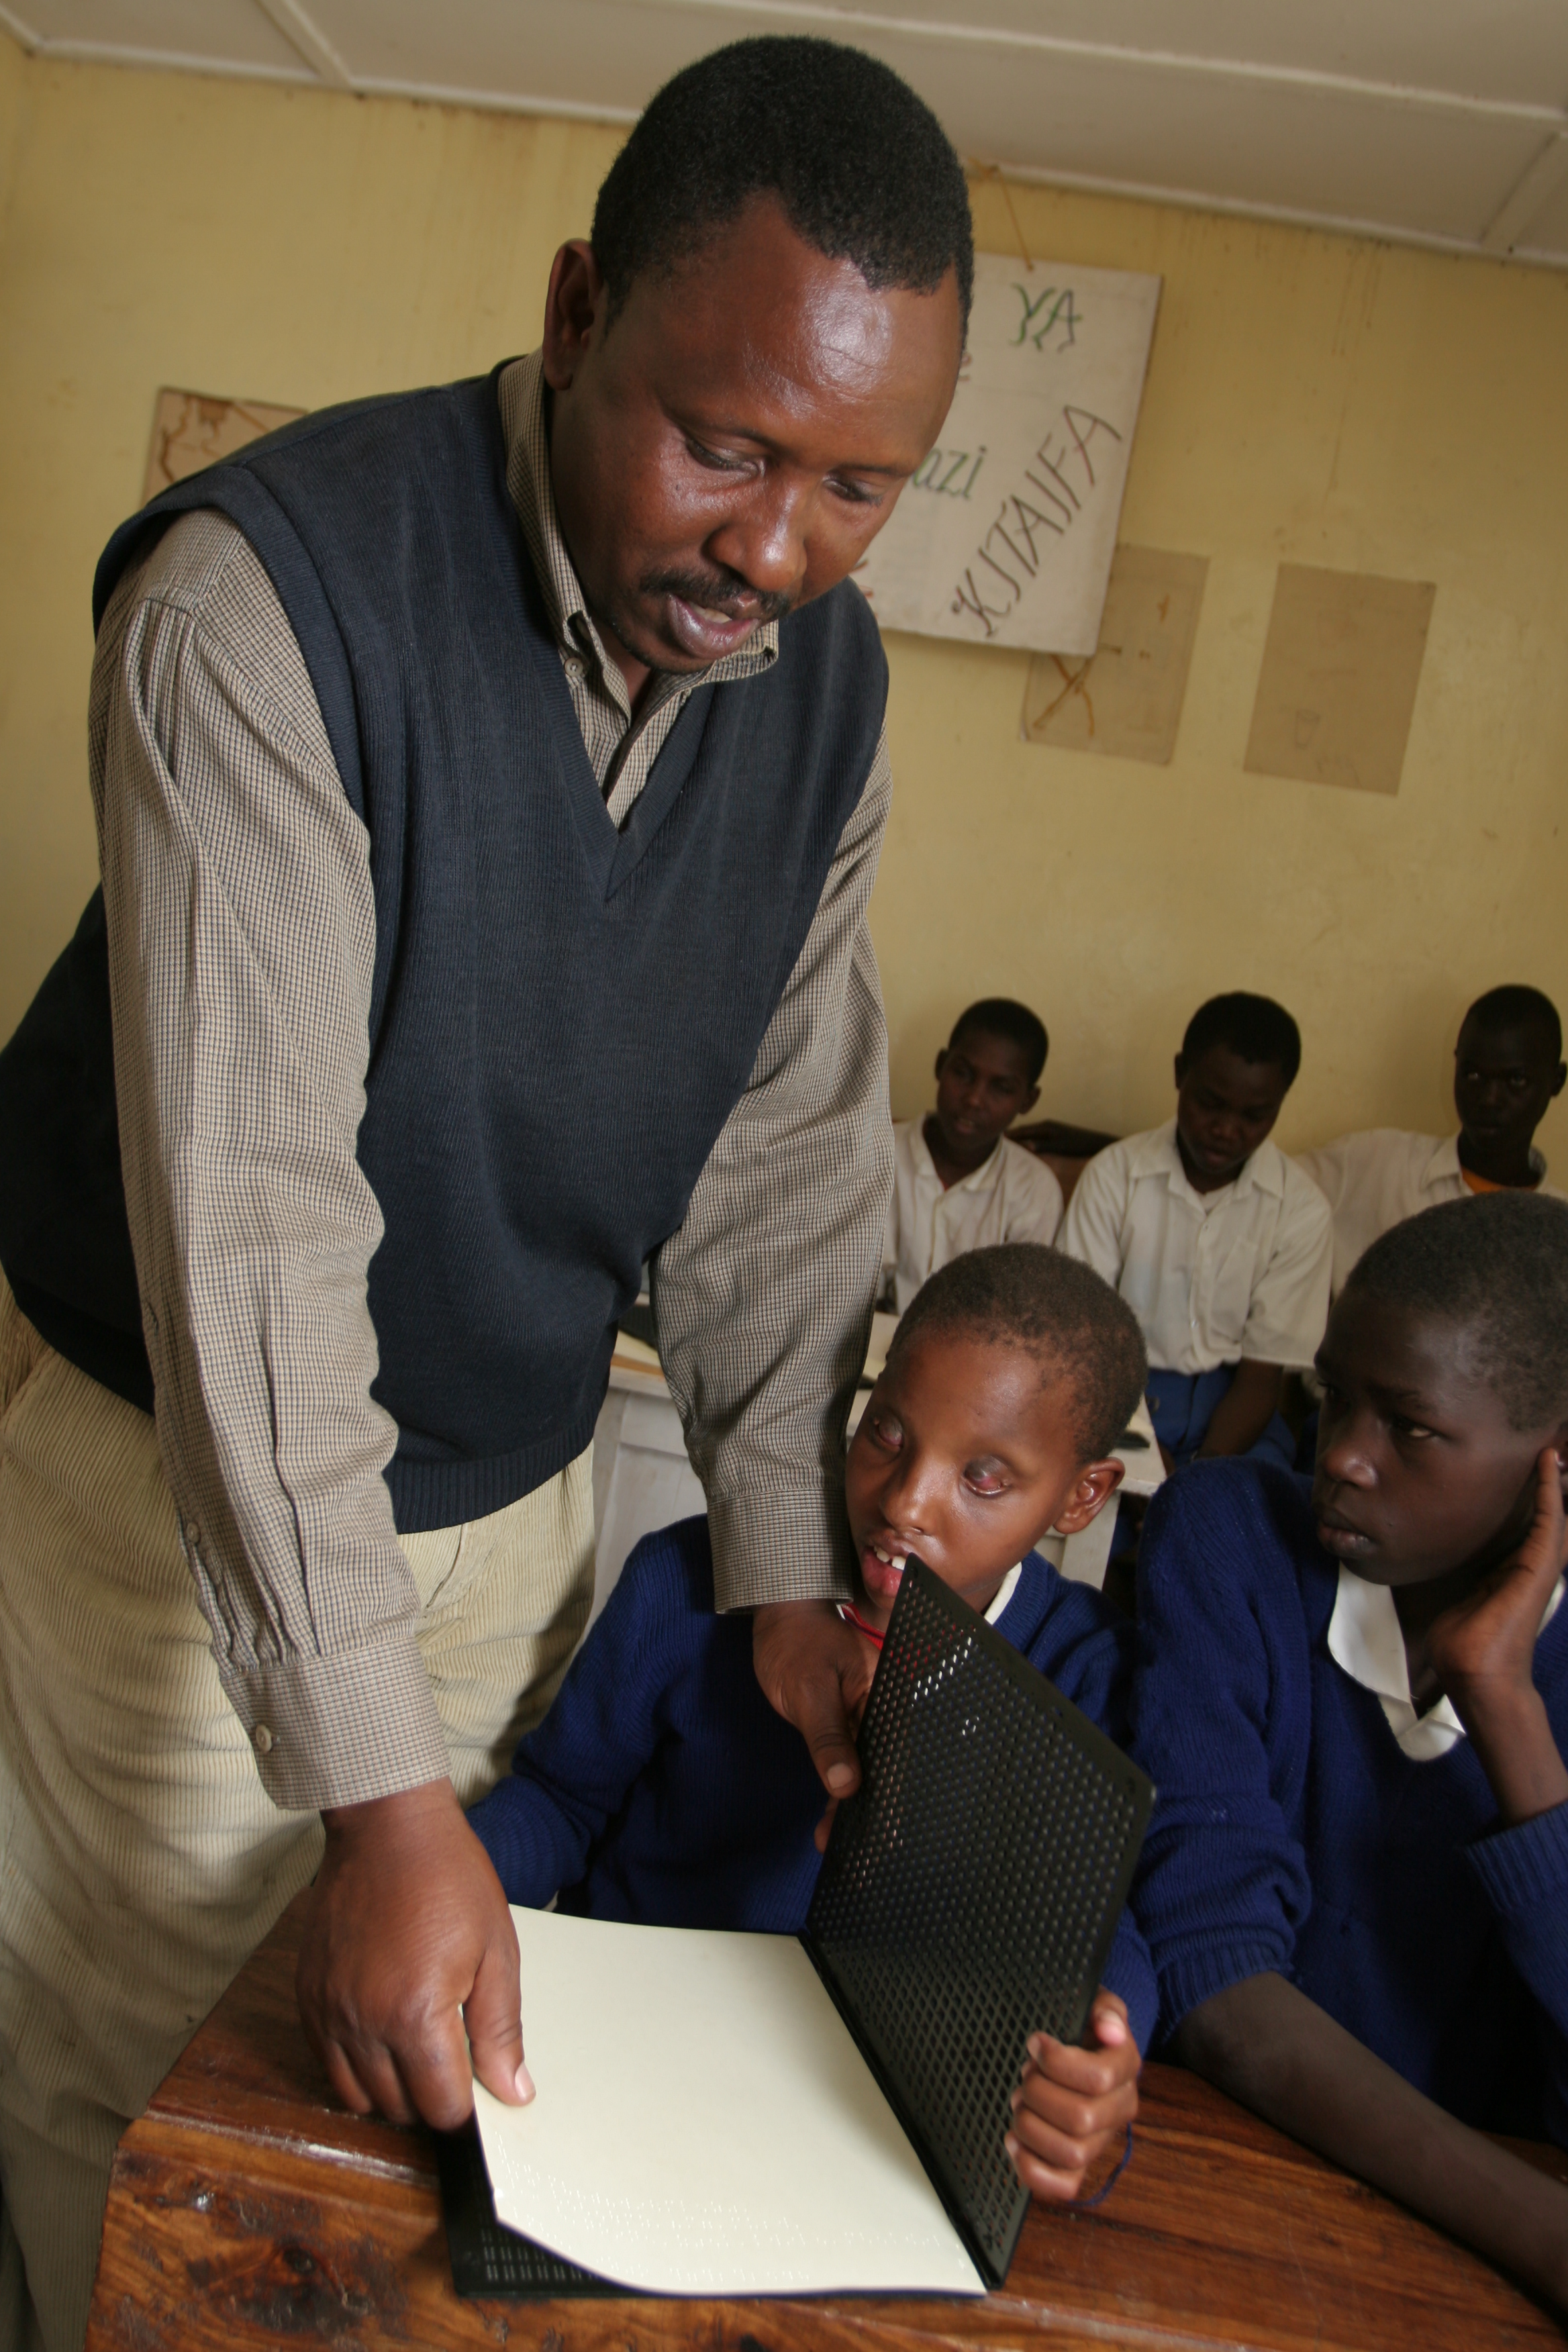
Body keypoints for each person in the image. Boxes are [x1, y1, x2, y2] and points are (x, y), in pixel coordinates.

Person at [0, 38, 973, 2347]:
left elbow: (778, 1166)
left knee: (430, 2110)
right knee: (142, 2095)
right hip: (185, 1505)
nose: (774, 550)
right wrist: (368, 1787)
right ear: (568, 312)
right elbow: (250, 1232)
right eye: (723, 443)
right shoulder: (261, 604)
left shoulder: (819, 688)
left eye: (859, 485)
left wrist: (779, 1579)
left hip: (515, 1506)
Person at [470, 1242, 1151, 2201]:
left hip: (851, 2124)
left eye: (985, 1478)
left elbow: (1103, 1931)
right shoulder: (690, 1581)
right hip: (620, 2051)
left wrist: (1100, 2053)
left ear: (1080, 1497)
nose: (905, 1503)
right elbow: (561, 1801)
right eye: (886, 1433)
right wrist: (451, 1878)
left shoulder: (1083, 1676)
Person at [1130, 1193, 1568, 2316]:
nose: (1344, 1457)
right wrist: (1544, 2233)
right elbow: (1216, 1980)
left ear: (1552, 1462)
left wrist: (1507, 1706)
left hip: (1461, 2266)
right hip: (1230, 2178)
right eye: (1336, 1395)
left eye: (1408, 1426)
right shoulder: (1226, 1532)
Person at [1062, 992, 1330, 1473]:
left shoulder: (1301, 1209)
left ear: (1281, 1102)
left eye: (1254, 1116)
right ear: (1180, 1073)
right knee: (1083, 1517)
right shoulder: (1114, 1178)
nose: (1226, 1129)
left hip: (1240, 1412)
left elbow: (1261, 1378)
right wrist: (1148, 1458)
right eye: (1211, 1103)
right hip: (1118, 1395)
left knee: (1238, 1525)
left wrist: (1193, 1479)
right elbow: (1086, 1341)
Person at [1299, 984, 1566, 1300]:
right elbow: (1262, 1196)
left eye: (1516, 1080)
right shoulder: (1375, 1163)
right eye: (1473, 1075)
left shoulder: (1558, 1230)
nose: (1490, 1099)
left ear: (1556, 1081)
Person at [885, 999, 1063, 1314]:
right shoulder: (879, 1151)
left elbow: (1019, 1312)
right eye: (963, 1073)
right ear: (941, 1065)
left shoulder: (1033, 1189)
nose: (974, 1099)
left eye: (1002, 1088)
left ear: (1028, 1100)